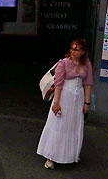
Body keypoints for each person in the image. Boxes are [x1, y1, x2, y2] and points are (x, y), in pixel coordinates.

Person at [37, 38, 94, 169]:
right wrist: (56, 103)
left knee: (73, 126)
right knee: (59, 125)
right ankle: (50, 157)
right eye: (72, 49)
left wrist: (87, 103)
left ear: (83, 52)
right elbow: (58, 85)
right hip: (64, 97)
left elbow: (87, 84)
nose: (73, 52)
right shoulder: (63, 63)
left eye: (76, 50)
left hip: (77, 99)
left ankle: (70, 155)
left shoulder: (87, 64)